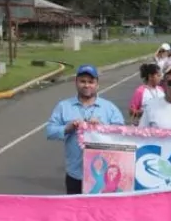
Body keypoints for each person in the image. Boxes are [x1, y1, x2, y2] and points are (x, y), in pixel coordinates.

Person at [45, 65, 125, 195]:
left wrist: (102, 127)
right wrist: (68, 127)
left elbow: (122, 135)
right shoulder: (64, 106)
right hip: (75, 175)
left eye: (90, 82)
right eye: (83, 81)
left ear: (97, 84)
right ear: (76, 82)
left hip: (103, 176)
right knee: (74, 213)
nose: (86, 85)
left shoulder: (110, 108)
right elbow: (50, 131)